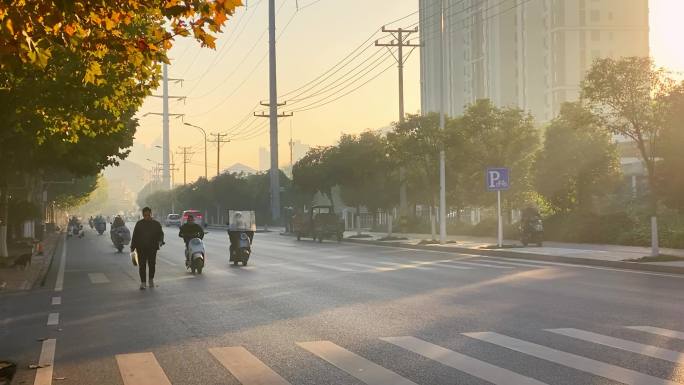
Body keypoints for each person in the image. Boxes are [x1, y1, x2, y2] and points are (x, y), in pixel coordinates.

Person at [130, 207, 164, 290]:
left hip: (152, 248)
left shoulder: (156, 224)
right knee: (142, 265)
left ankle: (151, 279)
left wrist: (160, 241)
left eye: (148, 215)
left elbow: (161, 234)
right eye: (145, 215)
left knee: (152, 264)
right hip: (141, 248)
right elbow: (135, 236)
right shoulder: (139, 224)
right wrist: (132, 246)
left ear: (151, 214)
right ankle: (143, 283)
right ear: (143, 215)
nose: (147, 217)